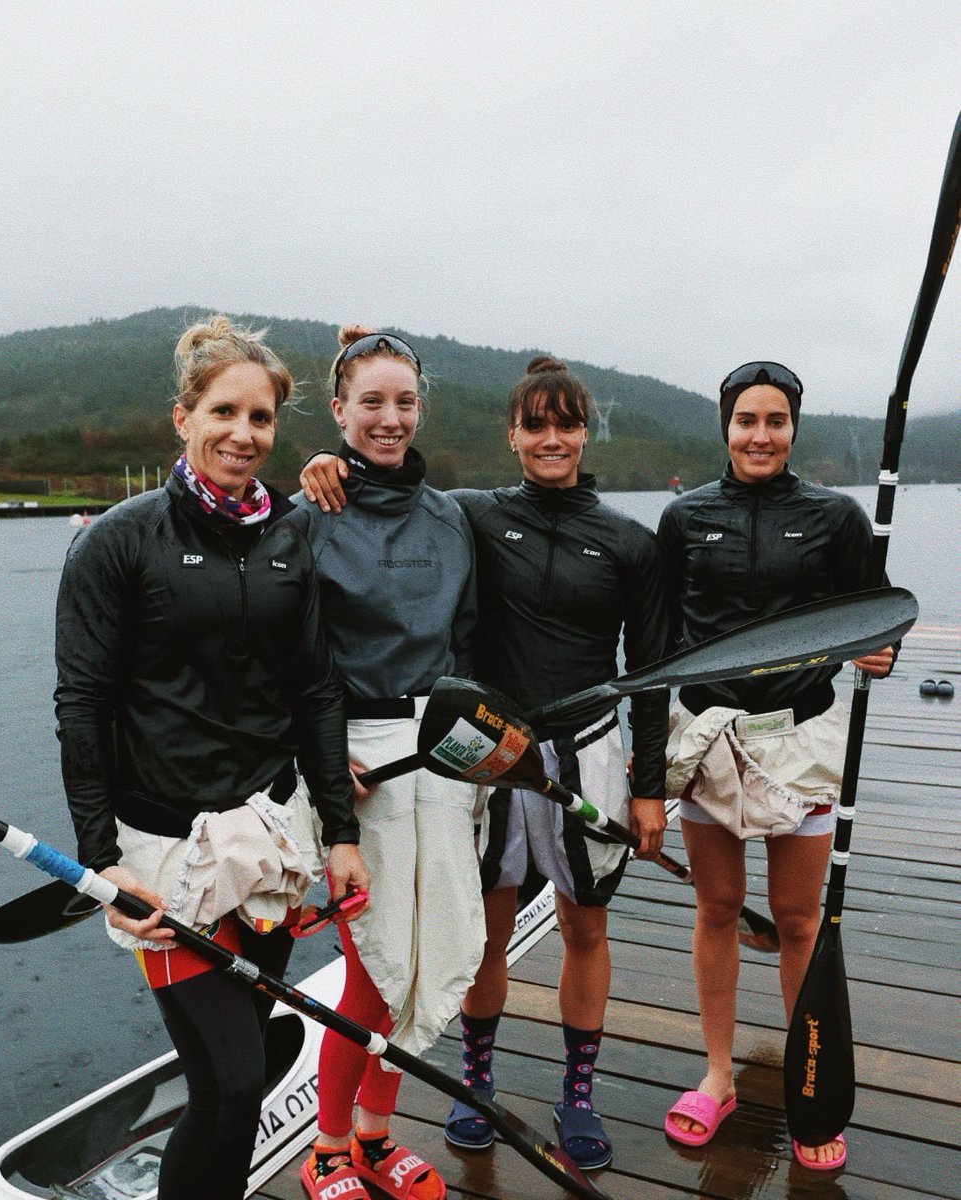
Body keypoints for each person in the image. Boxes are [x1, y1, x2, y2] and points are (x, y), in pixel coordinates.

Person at [300, 355, 670, 1172]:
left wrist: (650, 790)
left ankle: (578, 1093)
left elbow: (649, 673)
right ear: (511, 435)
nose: (550, 438)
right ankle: (479, 1082)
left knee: (584, 925)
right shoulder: (465, 514)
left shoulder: (629, 541)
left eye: (565, 422)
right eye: (533, 424)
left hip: (587, 746)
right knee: (486, 928)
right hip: (487, 751)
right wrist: (328, 468)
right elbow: (385, 501)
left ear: (583, 432)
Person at [54, 316, 368, 1200]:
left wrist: (338, 835)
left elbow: (316, 692)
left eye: (261, 418)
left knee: (244, 1069)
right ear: (182, 417)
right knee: (229, 1083)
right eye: (223, 411)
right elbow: (81, 704)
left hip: (268, 837)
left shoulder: (290, 538)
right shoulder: (117, 540)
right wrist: (102, 864)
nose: (243, 434)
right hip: (164, 858)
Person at [656, 361, 895, 1171]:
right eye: (746, 420)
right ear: (724, 427)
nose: (761, 435)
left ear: (795, 428)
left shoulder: (836, 516)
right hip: (707, 735)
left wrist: (879, 653)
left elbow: (873, 617)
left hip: (801, 736)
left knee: (798, 920)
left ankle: (809, 1082)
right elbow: (658, 642)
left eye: (776, 421)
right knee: (717, 908)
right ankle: (718, 1074)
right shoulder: (684, 517)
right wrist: (644, 767)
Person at [291, 327, 482, 1200]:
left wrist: (481, 752)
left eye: (404, 401)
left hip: (439, 758)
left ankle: (374, 1134)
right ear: (338, 413)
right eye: (371, 401)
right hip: (356, 759)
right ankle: (327, 1145)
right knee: (373, 967)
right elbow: (289, 661)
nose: (389, 417)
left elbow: (466, 644)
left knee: (431, 950)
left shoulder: (450, 517)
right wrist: (323, 769)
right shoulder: (308, 517)